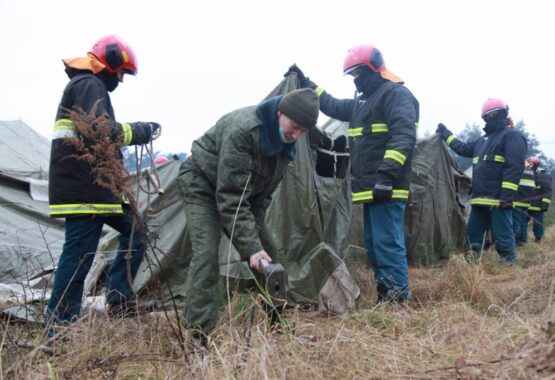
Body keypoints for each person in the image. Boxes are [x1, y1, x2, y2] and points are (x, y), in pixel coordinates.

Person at [176, 88, 319, 342]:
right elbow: (231, 198)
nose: (296, 135)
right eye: (294, 127)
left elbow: (260, 198)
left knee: (271, 255)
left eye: (303, 132)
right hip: (203, 186)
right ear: (280, 113)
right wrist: (250, 246)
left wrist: (256, 243)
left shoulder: (286, 148)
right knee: (207, 255)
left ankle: (277, 325)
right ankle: (199, 337)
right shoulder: (244, 130)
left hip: (240, 197)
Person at [286, 44, 418, 303]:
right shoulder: (362, 103)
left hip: (386, 186)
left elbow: (404, 137)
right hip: (371, 187)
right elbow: (332, 105)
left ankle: (397, 300)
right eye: (352, 75)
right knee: (376, 244)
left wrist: (386, 176)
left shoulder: (395, 95)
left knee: (387, 244)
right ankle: (386, 296)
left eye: (359, 73)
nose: (356, 80)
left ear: (373, 69)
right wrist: (307, 82)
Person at [46, 35, 161, 331]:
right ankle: (57, 326)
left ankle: (120, 301)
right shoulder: (88, 84)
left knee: (136, 230)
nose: (121, 80)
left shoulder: (89, 86)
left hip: (97, 188)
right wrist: (139, 131)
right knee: (79, 255)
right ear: (109, 62)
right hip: (84, 190)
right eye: (122, 72)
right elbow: (98, 131)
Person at [436, 98, 527, 264]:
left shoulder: (512, 136)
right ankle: (471, 263)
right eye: (488, 115)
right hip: (479, 198)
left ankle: (507, 265)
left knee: (503, 233)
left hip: (499, 199)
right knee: (473, 234)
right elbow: (462, 149)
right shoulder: (481, 141)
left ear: (503, 114)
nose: (491, 117)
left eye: (494, 114)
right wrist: (446, 134)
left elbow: (514, 168)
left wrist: (507, 196)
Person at [527, 156, 552, 243]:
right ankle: (520, 241)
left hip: (537, 206)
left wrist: (544, 205)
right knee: (521, 222)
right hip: (525, 204)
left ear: (534, 165)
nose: (527, 166)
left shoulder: (544, 175)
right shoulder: (528, 173)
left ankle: (538, 240)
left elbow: (547, 192)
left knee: (537, 223)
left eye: (529, 164)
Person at [513, 159, 536, 246]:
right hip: (527, 202)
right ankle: (523, 240)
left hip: (518, 201)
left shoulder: (519, 170)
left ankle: (516, 241)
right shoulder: (532, 172)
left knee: (516, 221)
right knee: (523, 222)